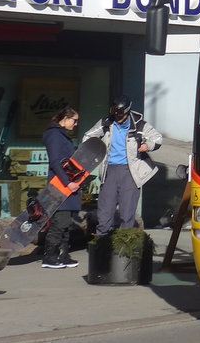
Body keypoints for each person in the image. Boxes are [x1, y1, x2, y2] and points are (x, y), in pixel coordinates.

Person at [83, 96, 162, 235]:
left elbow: (157, 138)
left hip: (130, 171)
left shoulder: (139, 125)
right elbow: (88, 136)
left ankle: (124, 242)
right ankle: (102, 239)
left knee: (127, 210)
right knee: (105, 208)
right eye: (115, 114)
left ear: (127, 111)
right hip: (110, 170)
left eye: (121, 115)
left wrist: (147, 145)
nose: (118, 118)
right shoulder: (106, 123)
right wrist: (93, 150)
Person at [41, 107, 83, 269]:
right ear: (65, 118)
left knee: (66, 224)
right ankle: (49, 257)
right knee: (60, 222)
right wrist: (68, 182)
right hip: (60, 186)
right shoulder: (55, 136)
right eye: (74, 120)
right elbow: (55, 162)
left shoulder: (62, 135)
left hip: (68, 185)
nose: (76, 124)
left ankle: (63, 255)